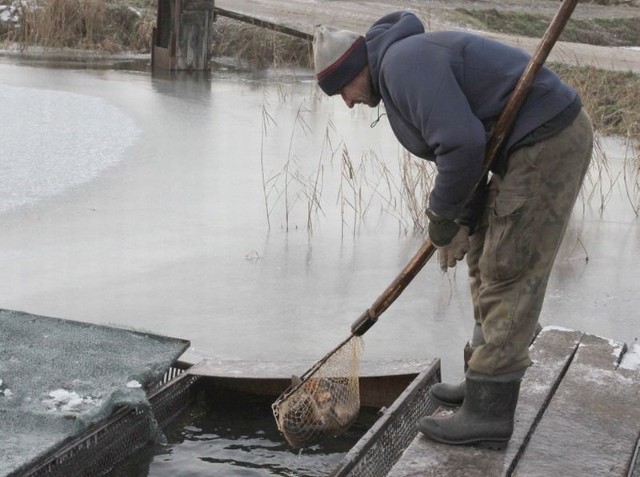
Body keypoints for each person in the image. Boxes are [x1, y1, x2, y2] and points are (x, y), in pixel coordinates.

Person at [312, 10, 593, 449]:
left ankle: (488, 415)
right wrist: (464, 218)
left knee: (508, 269)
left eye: (341, 90)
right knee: (484, 255)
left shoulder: (402, 65)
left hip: (548, 141)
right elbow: (472, 152)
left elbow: (461, 143)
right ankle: (482, 382)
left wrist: (442, 219)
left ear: (354, 71)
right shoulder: (397, 70)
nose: (345, 102)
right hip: (520, 148)